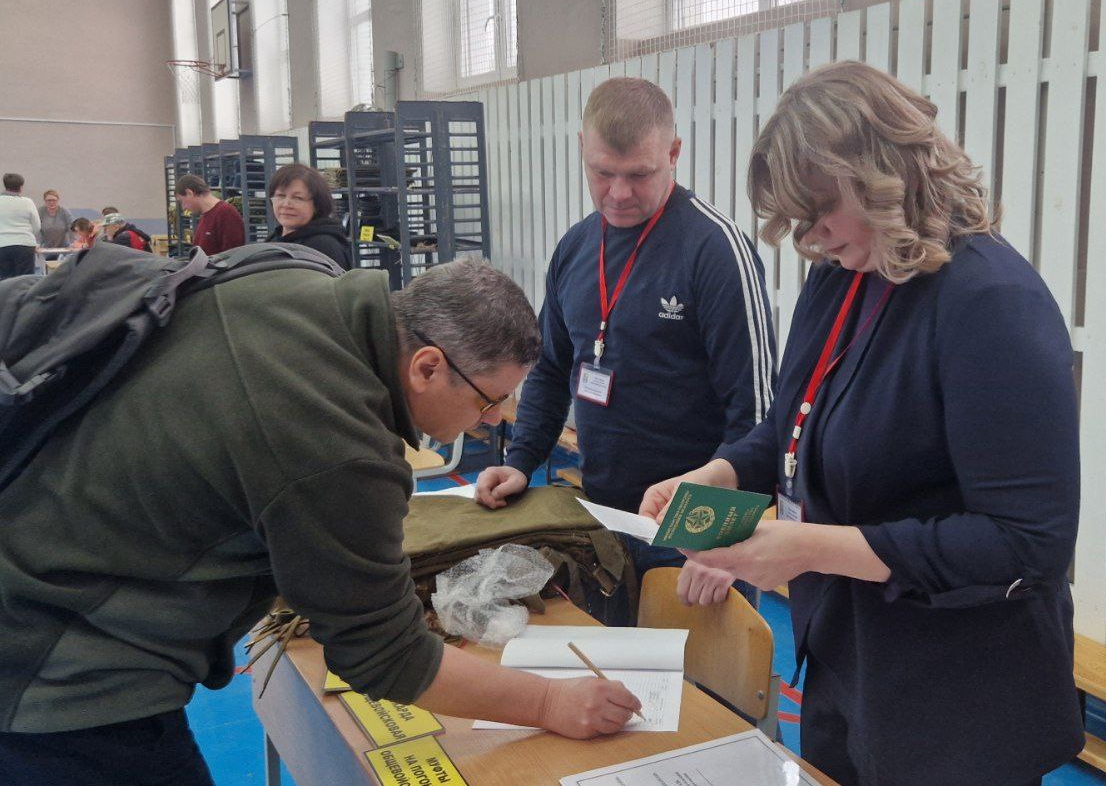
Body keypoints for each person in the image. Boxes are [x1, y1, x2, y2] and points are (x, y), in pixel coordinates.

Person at [0, 257, 641, 784]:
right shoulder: (339, 443)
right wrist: (551, 700)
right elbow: (388, 657)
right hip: (57, 664)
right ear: (427, 367)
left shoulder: (293, 275)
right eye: (490, 400)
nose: (495, 419)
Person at [641, 62, 1084, 786]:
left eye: (822, 211)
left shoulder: (990, 299)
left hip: (960, 700)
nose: (813, 238)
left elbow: (1026, 543)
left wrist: (811, 546)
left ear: (886, 174)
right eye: (800, 221)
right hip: (850, 659)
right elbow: (796, 423)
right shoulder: (845, 272)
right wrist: (721, 474)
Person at [475, 77, 776, 621]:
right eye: (602, 173)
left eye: (638, 175)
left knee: (699, 679)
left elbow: (756, 416)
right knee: (610, 673)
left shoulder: (716, 251)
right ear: (582, 149)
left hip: (689, 535)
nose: (617, 193)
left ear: (673, 153)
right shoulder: (575, 248)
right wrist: (521, 461)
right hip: (600, 522)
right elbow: (551, 370)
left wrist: (720, 534)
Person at [266, 163, 352, 269]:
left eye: (298, 198)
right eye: (281, 196)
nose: (286, 204)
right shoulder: (274, 239)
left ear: (316, 204)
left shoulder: (323, 246)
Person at [176, 174, 245, 255]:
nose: (183, 207)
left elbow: (234, 257)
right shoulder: (205, 216)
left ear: (190, 193)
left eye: (182, 201)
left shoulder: (227, 214)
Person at [0, 173, 41, 280]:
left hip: (2, 245)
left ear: (5, 185)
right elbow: (37, 226)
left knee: (4, 280)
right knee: (25, 280)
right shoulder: (28, 202)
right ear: (21, 187)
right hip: (25, 244)